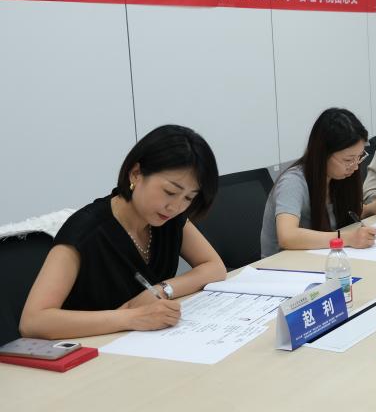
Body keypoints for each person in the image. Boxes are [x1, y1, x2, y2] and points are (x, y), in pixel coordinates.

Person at [20, 125, 226, 339]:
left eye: (189, 198)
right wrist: (132, 317)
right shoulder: (84, 231)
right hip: (90, 347)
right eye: (169, 192)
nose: (175, 207)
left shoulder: (168, 219)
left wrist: (162, 290)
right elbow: (33, 321)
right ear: (136, 174)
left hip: (143, 343)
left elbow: (214, 267)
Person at [260, 108, 376, 257]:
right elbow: (287, 236)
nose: (355, 166)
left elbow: (350, 212)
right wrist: (346, 238)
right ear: (323, 154)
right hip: (284, 265)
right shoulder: (293, 182)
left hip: (319, 258)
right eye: (348, 159)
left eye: (359, 157)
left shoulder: (336, 177)